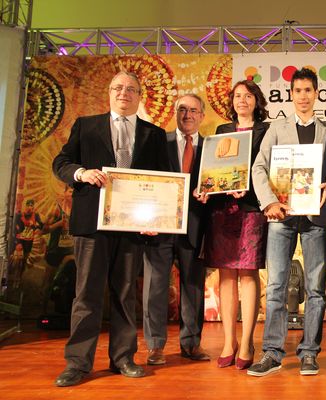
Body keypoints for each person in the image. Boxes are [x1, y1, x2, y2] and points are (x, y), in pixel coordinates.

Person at [52, 71, 169, 387]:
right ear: (109, 92)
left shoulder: (154, 135)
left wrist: (157, 220)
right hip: (92, 224)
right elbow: (61, 162)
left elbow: (163, 181)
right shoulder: (86, 126)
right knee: (86, 294)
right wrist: (80, 174)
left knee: (126, 294)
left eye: (131, 89)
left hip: (133, 227)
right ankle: (78, 363)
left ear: (139, 96)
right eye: (118, 87)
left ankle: (123, 358)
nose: (124, 93)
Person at [249, 67, 326, 377]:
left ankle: (309, 352)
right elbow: (259, 167)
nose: (303, 96)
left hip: (314, 218)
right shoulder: (277, 129)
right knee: (275, 286)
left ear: (316, 94)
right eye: (297, 91)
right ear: (291, 95)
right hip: (281, 217)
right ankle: (272, 353)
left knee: (315, 288)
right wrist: (269, 201)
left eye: (308, 90)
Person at [195, 79, 269, 370]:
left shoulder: (266, 131)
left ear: (256, 101)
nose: (242, 100)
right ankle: (229, 341)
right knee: (226, 276)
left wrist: (247, 189)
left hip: (251, 208)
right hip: (222, 209)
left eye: (248, 96)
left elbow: (268, 169)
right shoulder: (221, 132)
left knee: (248, 274)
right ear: (232, 101)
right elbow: (213, 169)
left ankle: (248, 341)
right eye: (237, 96)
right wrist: (207, 186)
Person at [142, 94, 208, 366]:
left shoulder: (212, 147)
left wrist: (210, 194)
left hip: (196, 227)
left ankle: (191, 344)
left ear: (202, 115)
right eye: (182, 109)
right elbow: (145, 178)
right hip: (159, 226)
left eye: (193, 110)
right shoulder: (158, 142)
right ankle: (155, 346)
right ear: (174, 113)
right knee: (155, 287)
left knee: (193, 288)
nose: (188, 115)